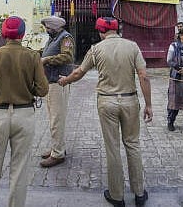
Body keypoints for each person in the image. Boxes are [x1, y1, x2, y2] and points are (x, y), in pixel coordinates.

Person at [58, 17, 152, 207]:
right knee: (133, 145)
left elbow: (78, 73)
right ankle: (139, 193)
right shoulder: (132, 46)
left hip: (107, 102)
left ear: (100, 32)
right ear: (117, 30)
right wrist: (149, 104)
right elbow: (144, 76)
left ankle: (117, 196)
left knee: (113, 148)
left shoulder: (96, 49)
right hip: (130, 100)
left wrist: (65, 81)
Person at [0, 16, 49, 207]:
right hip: (24, 114)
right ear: (22, 34)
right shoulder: (33, 57)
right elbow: (43, 89)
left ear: (3, 33)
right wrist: (28, 88)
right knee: (20, 168)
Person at [39, 15, 75, 168]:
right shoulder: (53, 38)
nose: (46, 30)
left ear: (54, 27)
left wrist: (46, 60)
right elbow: (47, 53)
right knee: (54, 118)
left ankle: (58, 154)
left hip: (58, 83)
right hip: (51, 83)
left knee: (56, 120)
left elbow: (67, 57)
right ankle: (57, 147)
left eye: (48, 27)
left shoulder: (65, 38)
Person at [165, 29, 183, 134]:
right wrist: (178, 68)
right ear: (180, 36)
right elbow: (169, 60)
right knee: (174, 101)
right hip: (176, 77)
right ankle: (170, 122)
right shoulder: (173, 46)